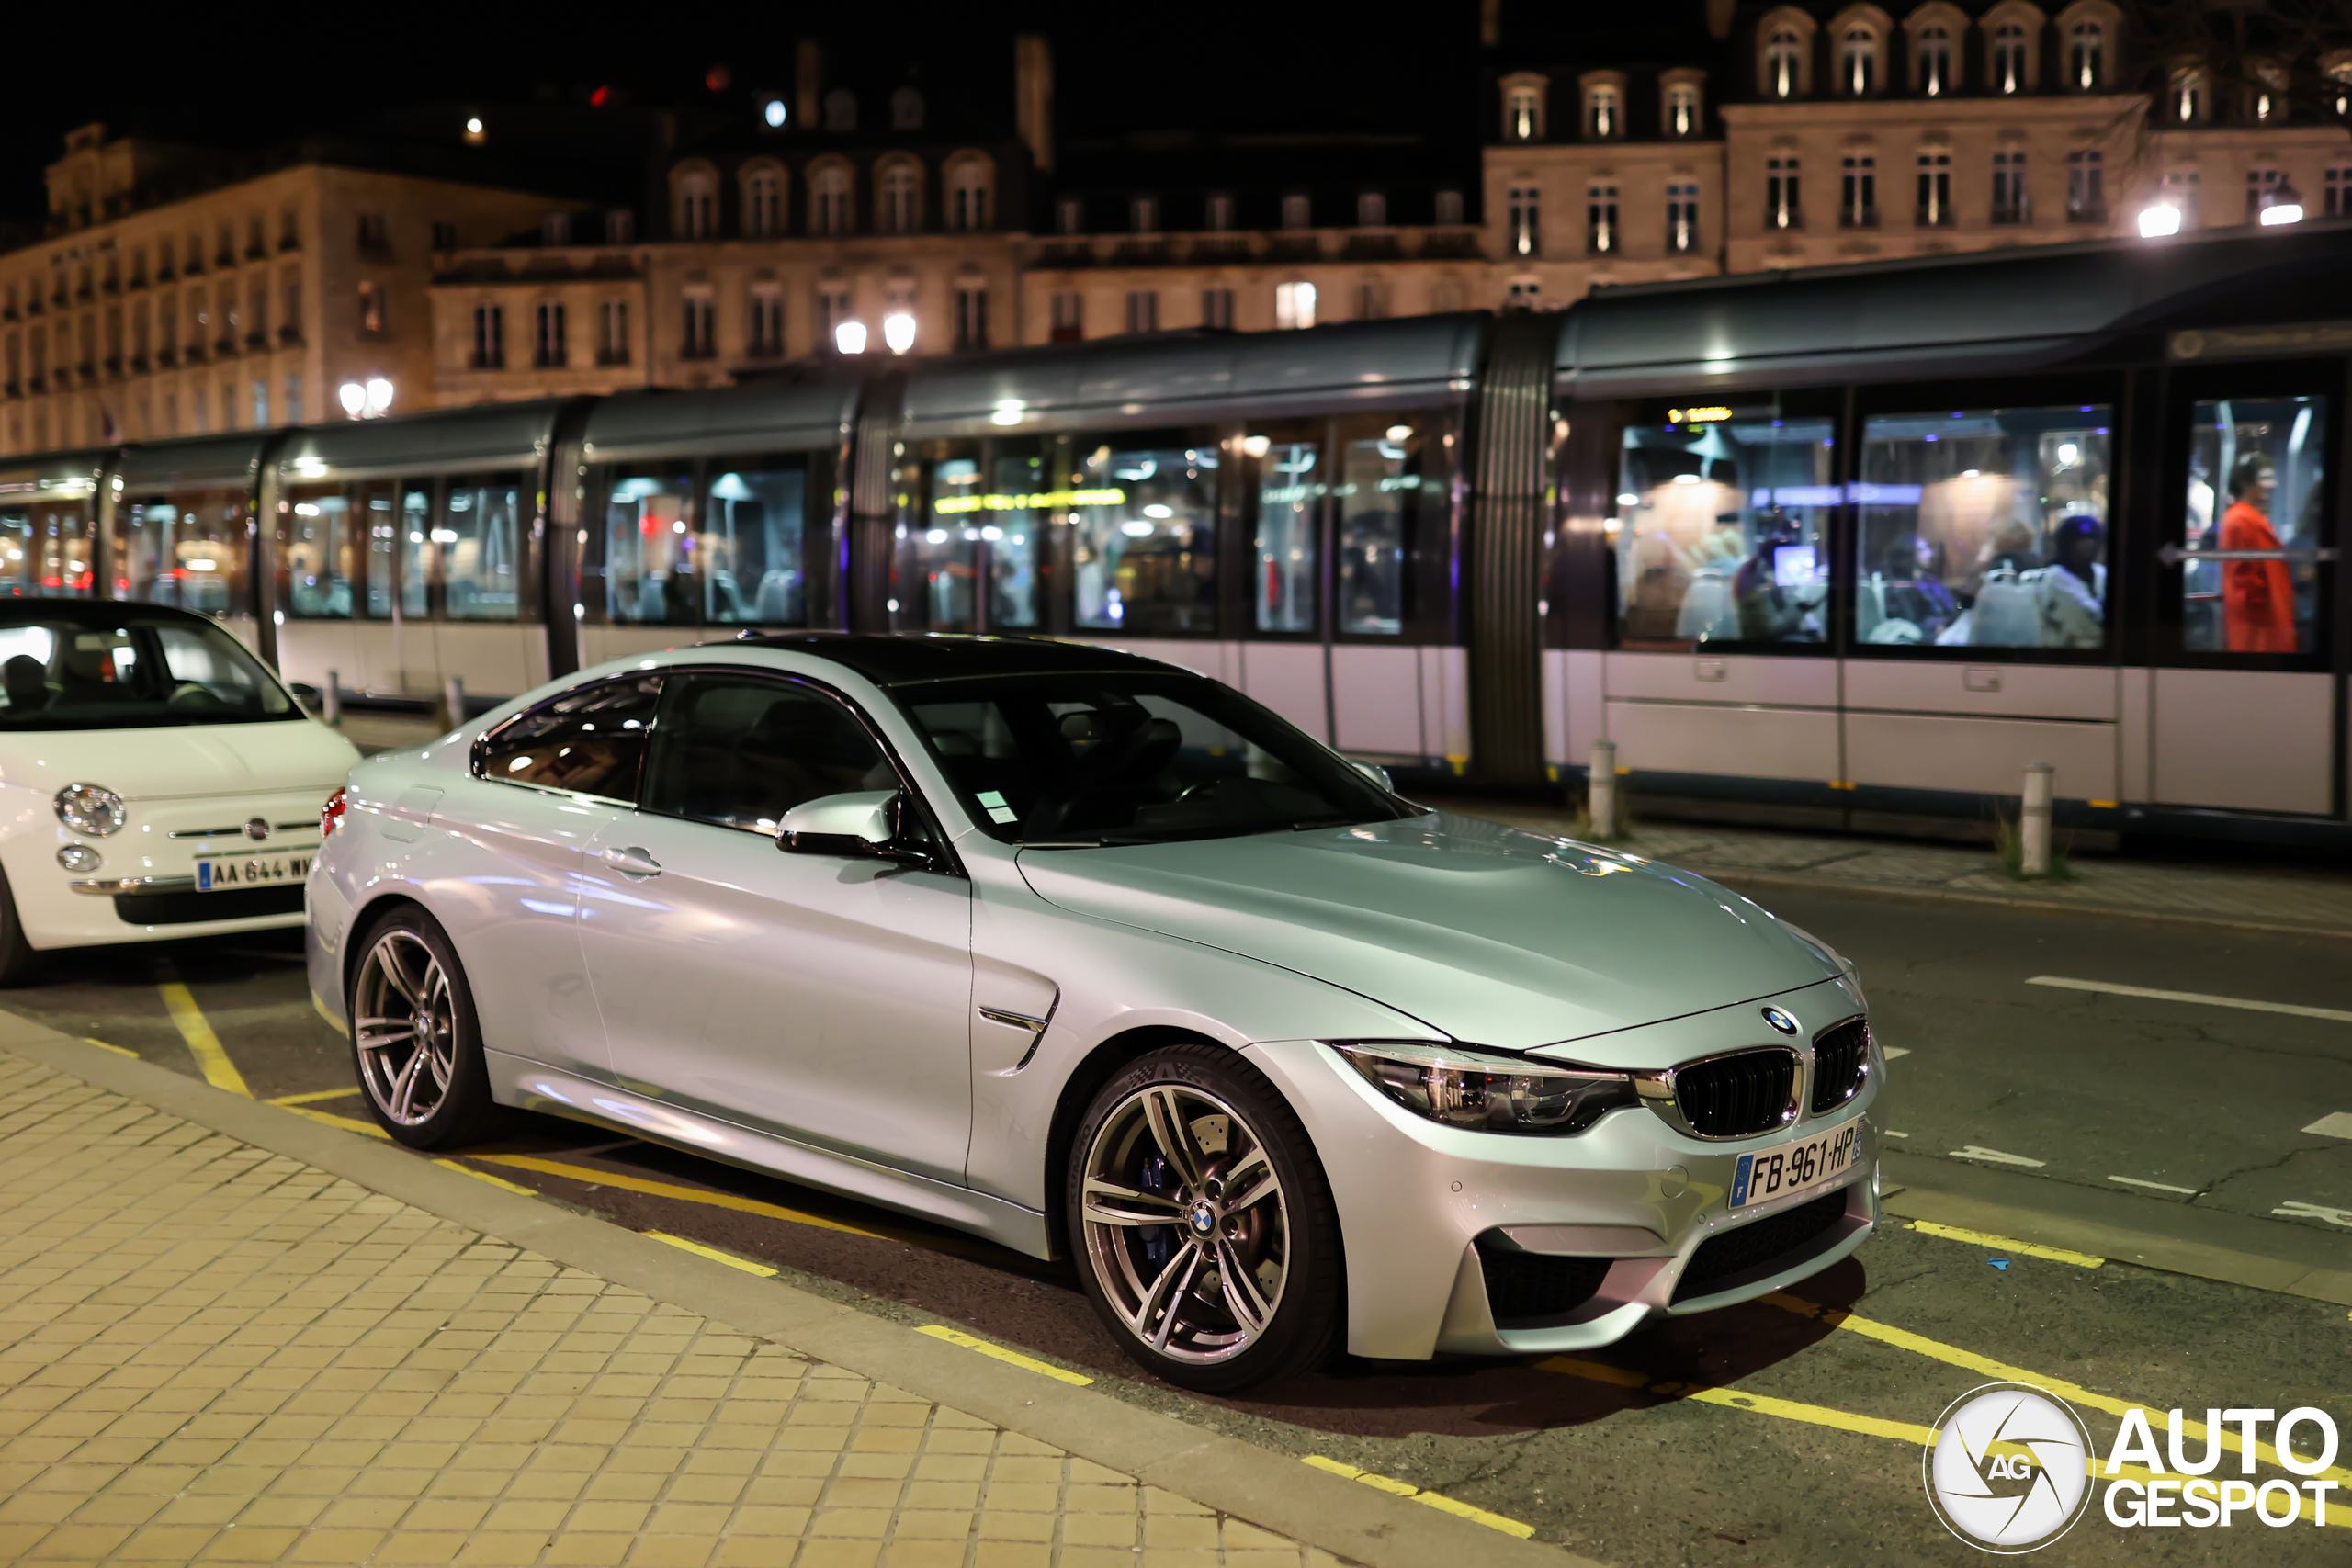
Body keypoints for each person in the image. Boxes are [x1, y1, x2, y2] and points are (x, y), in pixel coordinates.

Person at [2220, 455, 2296, 652]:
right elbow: (2246, 577)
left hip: (2264, 618)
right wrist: (2263, 605)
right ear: (2245, 483)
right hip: (2260, 623)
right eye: (2265, 478)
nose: (2272, 484)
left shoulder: (2248, 517)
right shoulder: (2242, 520)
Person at [2038, 514, 2105, 649]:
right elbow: (2085, 620)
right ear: (2066, 544)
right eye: (2080, 539)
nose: (2089, 544)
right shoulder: (2056, 576)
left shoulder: (2100, 573)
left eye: (2093, 538)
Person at [1882, 535, 1958, 641]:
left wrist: (1946, 625)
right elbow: (1908, 624)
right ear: (1908, 554)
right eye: (1922, 550)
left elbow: (1953, 608)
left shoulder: (1931, 581)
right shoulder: (1898, 587)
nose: (1930, 554)